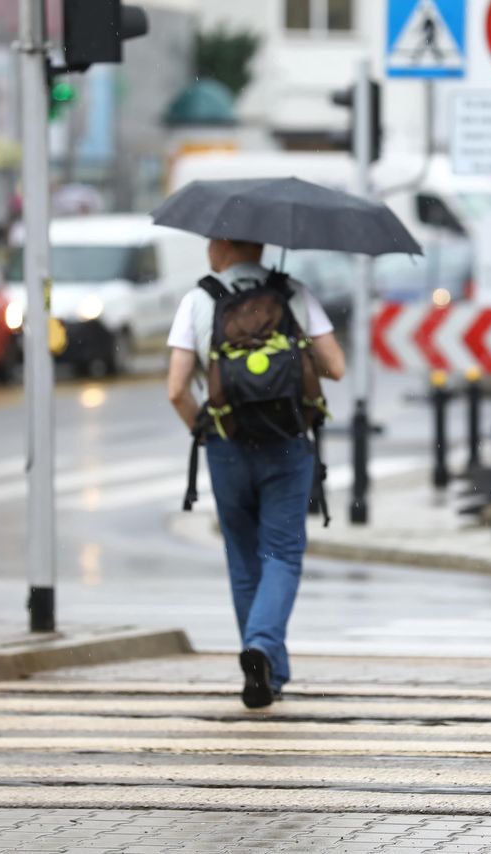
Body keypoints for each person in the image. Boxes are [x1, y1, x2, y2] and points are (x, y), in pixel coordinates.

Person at [167, 238, 346, 708]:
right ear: (259, 247)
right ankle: (264, 650)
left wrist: (205, 433)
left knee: (243, 559)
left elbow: (176, 389)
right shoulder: (293, 294)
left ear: (223, 247)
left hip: (227, 446)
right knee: (282, 555)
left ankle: (266, 664)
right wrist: (291, 353)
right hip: (287, 443)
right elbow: (337, 367)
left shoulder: (199, 299)